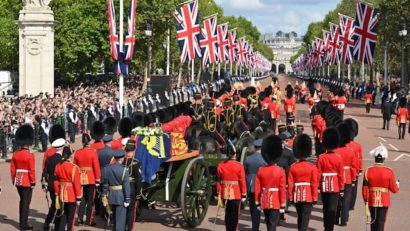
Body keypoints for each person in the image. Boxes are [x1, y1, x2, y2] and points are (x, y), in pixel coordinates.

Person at [363, 144, 399, 231]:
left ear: (375, 158)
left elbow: (364, 189)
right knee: (381, 222)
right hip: (384, 200)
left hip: (371, 200)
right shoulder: (389, 171)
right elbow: (394, 189)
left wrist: (366, 201)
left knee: (373, 221)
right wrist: (397, 184)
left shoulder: (368, 171)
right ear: (384, 159)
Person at [254, 135, 286, 231]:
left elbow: (257, 187)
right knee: (272, 224)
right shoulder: (280, 171)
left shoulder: (261, 170)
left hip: (264, 200)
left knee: (268, 222)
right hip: (275, 201)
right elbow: (282, 189)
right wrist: (283, 204)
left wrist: (257, 201)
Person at [288, 134, 319, 231]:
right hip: (308, 195)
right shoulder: (312, 167)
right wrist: (315, 197)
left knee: (300, 216)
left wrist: (290, 197)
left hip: (297, 195)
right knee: (305, 218)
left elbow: (290, 184)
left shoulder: (293, 166)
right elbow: (314, 184)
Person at [317, 128, 345, 231]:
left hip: (324, 185)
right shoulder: (338, 158)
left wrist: (318, 185)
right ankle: (330, 228)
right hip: (335, 186)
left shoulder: (321, 157)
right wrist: (342, 188)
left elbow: (318, 173)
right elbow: (341, 175)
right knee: (332, 208)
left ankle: (326, 226)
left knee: (325, 207)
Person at [10, 124, 36, 230]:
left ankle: (22, 222)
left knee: (22, 201)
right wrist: (33, 181)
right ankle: (23, 224)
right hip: (26, 181)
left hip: (18, 180)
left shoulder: (15, 154)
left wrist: (13, 179)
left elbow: (12, 168)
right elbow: (31, 170)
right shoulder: (29, 156)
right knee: (26, 202)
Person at [216, 143, 247, 231]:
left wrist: (219, 191)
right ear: (235, 154)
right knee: (235, 214)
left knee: (228, 213)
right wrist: (244, 193)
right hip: (236, 192)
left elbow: (218, 180)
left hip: (224, 192)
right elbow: (242, 180)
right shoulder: (239, 165)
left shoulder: (221, 165)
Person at [41, 124, 66, 230]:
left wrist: (44, 183)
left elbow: (44, 169)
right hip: (60, 184)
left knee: (54, 205)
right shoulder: (63, 153)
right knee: (60, 205)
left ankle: (48, 223)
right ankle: (56, 225)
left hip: (50, 183)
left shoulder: (48, 153)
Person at [74, 133, 101, 226]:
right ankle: (89, 220)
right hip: (91, 178)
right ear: (89, 142)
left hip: (81, 178)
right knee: (90, 201)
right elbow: (96, 166)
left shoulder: (77, 152)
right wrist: (98, 179)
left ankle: (80, 219)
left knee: (82, 199)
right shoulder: (93, 152)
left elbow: (75, 167)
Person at [101, 149, 131, 231]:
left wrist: (104, 195)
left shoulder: (107, 169)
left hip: (111, 196)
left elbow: (105, 184)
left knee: (115, 219)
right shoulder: (124, 169)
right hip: (121, 197)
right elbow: (126, 185)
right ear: (122, 158)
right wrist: (127, 199)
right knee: (120, 222)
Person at [54, 146, 82, 231]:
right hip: (71, 195)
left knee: (64, 215)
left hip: (62, 193)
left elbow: (56, 181)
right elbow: (76, 184)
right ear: (70, 156)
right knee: (71, 217)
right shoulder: (74, 168)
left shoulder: (58, 166)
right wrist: (78, 197)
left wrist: (57, 193)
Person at [335, 123, 358, 226]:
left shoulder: (335, 150)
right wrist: (353, 179)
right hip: (347, 177)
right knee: (346, 200)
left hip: (337, 178)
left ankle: (335, 218)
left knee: (337, 200)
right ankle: (344, 220)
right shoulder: (350, 152)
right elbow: (353, 167)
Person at [244, 139, 266, 231]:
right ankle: (255, 227)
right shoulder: (264, 159)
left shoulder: (248, 158)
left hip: (249, 184)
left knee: (252, 207)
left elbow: (245, 171)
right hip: (260, 184)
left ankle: (254, 226)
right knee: (258, 207)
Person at [123, 139, 142, 231]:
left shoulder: (121, 161)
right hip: (131, 187)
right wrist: (138, 193)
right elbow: (138, 179)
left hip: (122, 187)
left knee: (123, 209)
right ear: (133, 150)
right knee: (131, 210)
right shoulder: (136, 162)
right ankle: (129, 228)